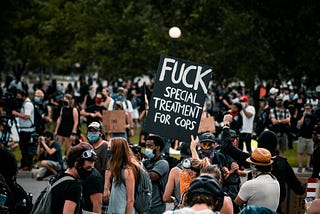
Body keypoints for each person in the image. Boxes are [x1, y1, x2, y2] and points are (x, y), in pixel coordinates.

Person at [220, 114, 305, 213]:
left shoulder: (252, 172)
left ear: (254, 164)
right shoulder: (281, 166)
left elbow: (227, 146)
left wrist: (226, 125)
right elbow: (299, 190)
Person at [51, 144, 96, 213]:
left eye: (92, 168)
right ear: (76, 164)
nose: (90, 171)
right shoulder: (74, 186)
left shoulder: (58, 177)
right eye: (88, 168)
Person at [103, 137, 141, 214]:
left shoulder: (127, 171)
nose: (108, 150)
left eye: (110, 148)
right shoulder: (116, 167)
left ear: (117, 150)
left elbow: (130, 200)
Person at [142, 135, 169, 213]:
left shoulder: (162, 163)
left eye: (150, 146)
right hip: (144, 204)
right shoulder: (146, 162)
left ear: (158, 147)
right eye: (146, 146)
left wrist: (139, 163)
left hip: (156, 205)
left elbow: (151, 177)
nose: (147, 149)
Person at [11, 89, 35, 171]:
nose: (17, 98)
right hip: (24, 130)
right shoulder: (24, 104)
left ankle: (27, 164)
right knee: (23, 148)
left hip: (27, 131)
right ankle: (24, 163)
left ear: (23, 96)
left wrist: (16, 113)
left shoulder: (28, 104)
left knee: (25, 148)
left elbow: (26, 116)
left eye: (19, 96)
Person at [296, 103, 317, 172]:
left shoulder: (313, 117)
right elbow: (298, 125)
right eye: (305, 108)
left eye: (308, 109)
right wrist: (303, 116)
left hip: (310, 137)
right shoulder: (301, 115)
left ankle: (307, 167)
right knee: (300, 152)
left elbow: (315, 126)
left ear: (311, 109)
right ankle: (300, 166)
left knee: (309, 153)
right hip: (302, 136)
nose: (307, 110)